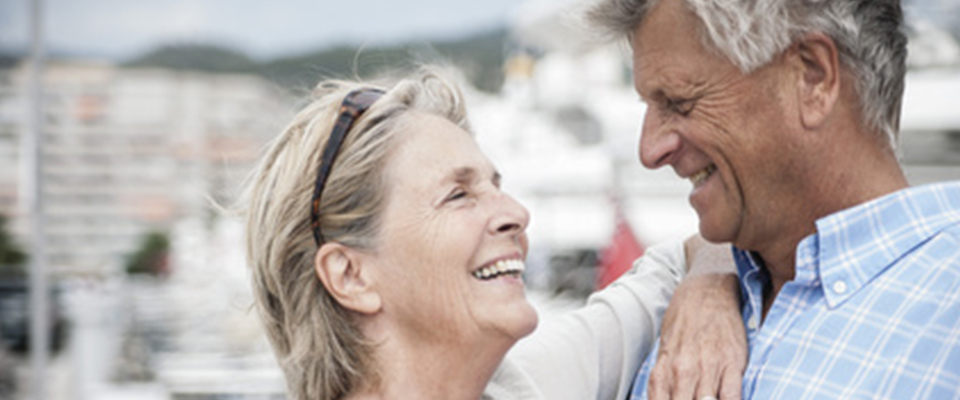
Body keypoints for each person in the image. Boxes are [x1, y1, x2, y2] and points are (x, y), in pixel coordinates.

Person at [239, 66, 745, 400]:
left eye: (495, 185)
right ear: (350, 275)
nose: (516, 213)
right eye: (458, 195)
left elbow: (688, 256)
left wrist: (707, 287)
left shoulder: (522, 387)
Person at [585, 0, 960, 398]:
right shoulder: (672, 314)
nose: (650, 151)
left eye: (679, 103)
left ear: (813, 77)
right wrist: (709, 274)